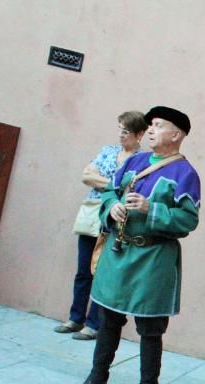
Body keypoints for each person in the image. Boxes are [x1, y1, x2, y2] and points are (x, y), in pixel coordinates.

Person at [71, 106, 201, 384]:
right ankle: (97, 377)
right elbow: (108, 193)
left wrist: (149, 208)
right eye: (150, 125)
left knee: (151, 328)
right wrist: (113, 206)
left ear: (176, 134)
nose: (151, 130)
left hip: (153, 258)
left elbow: (188, 220)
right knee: (108, 320)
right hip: (120, 251)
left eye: (159, 125)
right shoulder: (135, 162)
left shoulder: (186, 174)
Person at [54, 111, 147, 341]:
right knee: (83, 269)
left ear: (139, 134)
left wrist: (106, 182)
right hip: (92, 213)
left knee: (102, 272)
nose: (121, 135)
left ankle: (93, 324)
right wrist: (116, 184)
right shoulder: (108, 151)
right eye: (120, 129)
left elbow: (132, 189)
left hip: (114, 218)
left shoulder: (141, 160)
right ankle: (75, 318)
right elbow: (87, 176)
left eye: (125, 131)